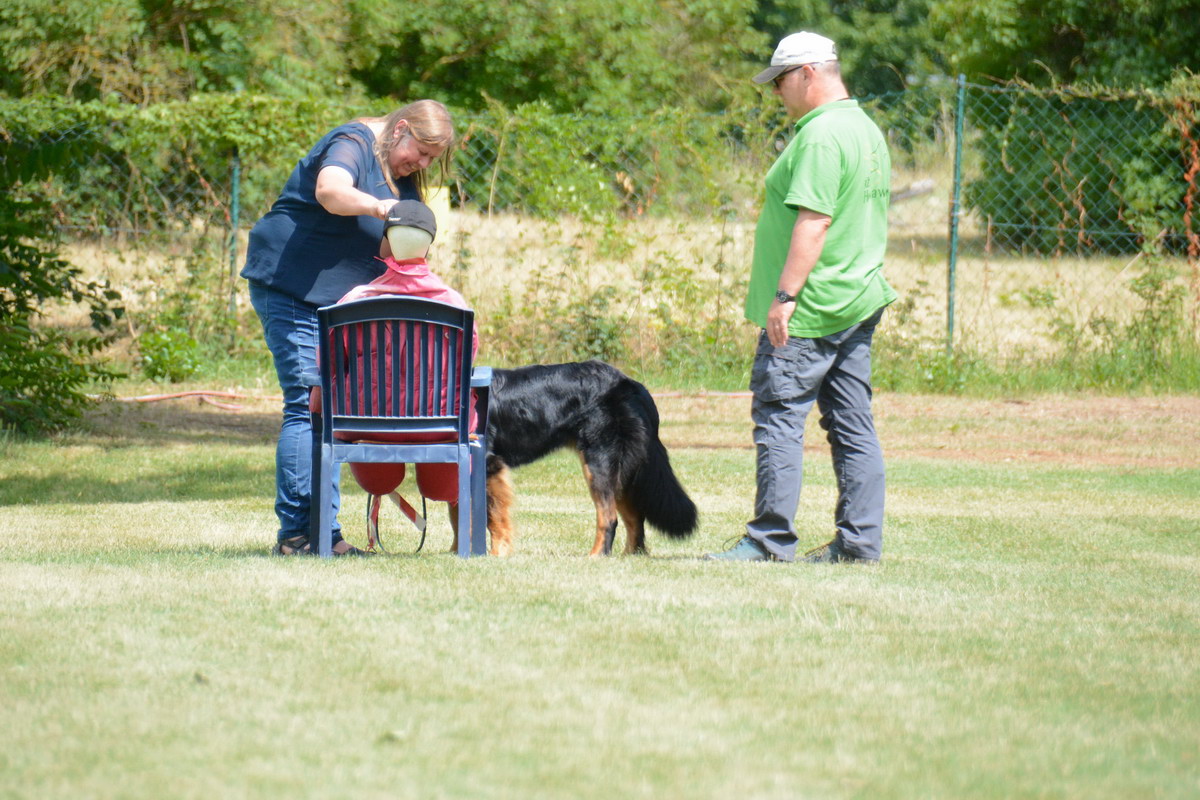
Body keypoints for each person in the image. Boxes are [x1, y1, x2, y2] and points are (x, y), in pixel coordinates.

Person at [707, 32, 896, 564]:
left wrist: (784, 296)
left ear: (808, 73)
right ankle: (859, 545)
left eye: (780, 82)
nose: (777, 94)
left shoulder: (819, 137)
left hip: (810, 309)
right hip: (856, 298)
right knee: (854, 426)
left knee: (779, 418)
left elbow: (814, 222)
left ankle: (769, 542)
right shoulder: (864, 128)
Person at [241, 100, 455, 556]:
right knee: (307, 406)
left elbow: (393, 246)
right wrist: (382, 207)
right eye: (420, 152)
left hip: (343, 302)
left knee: (333, 411)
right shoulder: (354, 142)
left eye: (431, 160)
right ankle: (301, 536)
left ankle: (323, 533)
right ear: (400, 129)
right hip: (294, 285)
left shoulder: (405, 182)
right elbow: (330, 191)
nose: (421, 164)